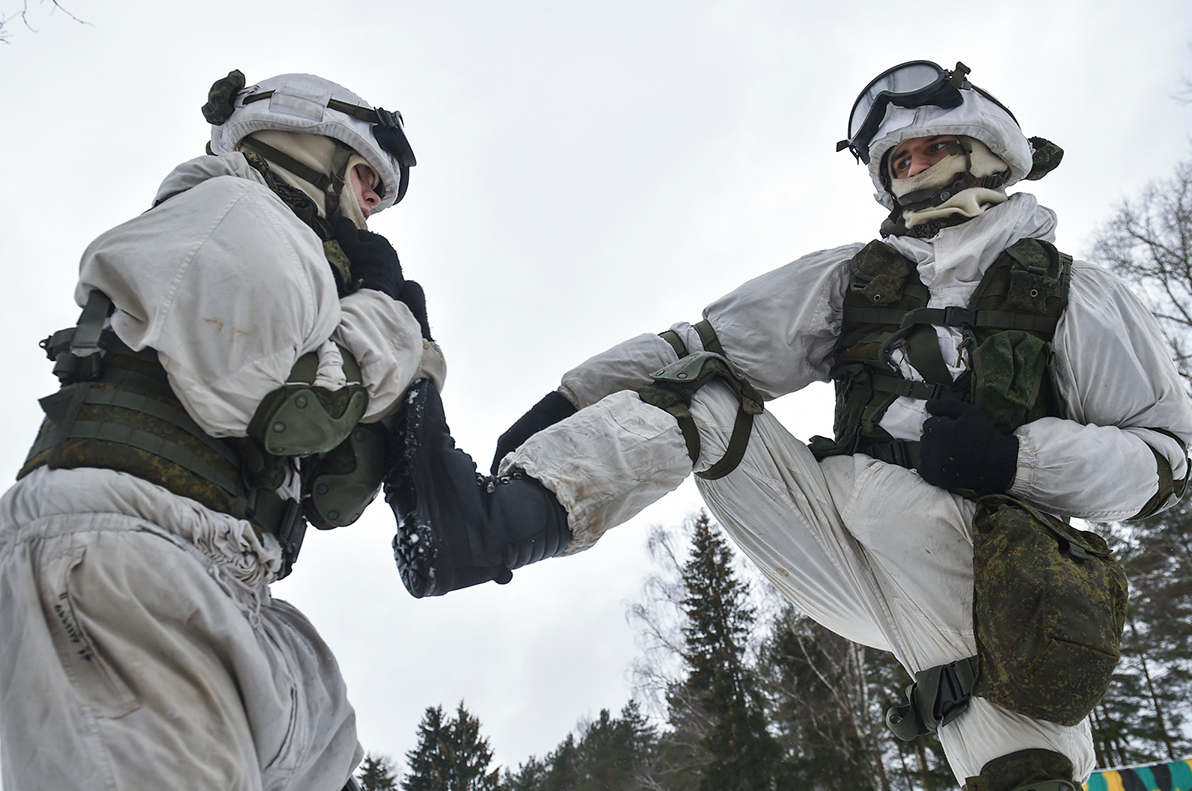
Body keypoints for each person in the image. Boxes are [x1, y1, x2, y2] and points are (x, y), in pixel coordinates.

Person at [385, 61, 1192, 791]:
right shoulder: (856, 279)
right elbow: (701, 343)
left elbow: (1165, 459)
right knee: (699, 394)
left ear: (987, 148)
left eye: (924, 148)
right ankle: (489, 529)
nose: (911, 169)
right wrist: (566, 403)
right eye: (895, 162)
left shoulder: (1073, 293)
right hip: (839, 536)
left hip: (982, 578)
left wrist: (1013, 458)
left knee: (1024, 771)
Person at [0, 70, 441, 790]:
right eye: (367, 176)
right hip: (125, 561)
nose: (373, 204)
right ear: (307, 145)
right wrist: (389, 314)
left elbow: (329, 477)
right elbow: (300, 410)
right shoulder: (236, 213)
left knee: (325, 726)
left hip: (207, 572)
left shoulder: (290, 256)